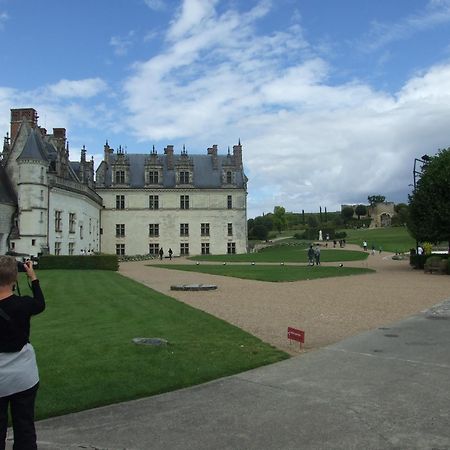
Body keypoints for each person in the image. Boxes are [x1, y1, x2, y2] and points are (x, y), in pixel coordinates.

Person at [0, 256, 45, 450]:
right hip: (23, 375)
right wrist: (33, 277)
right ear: (15, 279)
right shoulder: (23, 304)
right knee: (25, 427)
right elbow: (40, 303)